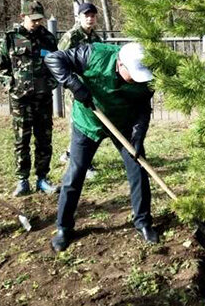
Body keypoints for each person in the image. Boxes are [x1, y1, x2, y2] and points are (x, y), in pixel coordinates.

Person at [45, 42, 157, 252]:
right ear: (120, 64)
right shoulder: (93, 55)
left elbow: (143, 107)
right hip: (88, 122)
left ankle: (143, 222)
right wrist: (74, 84)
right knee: (76, 173)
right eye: (132, 74)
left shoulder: (145, 74)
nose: (135, 78)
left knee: (138, 168)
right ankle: (63, 227)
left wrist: (138, 136)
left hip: (123, 124)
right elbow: (53, 59)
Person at [0, 0, 59, 197]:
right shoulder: (11, 38)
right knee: (21, 140)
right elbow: (2, 69)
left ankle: (42, 179)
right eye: (32, 19)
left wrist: (50, 84)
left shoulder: (48, 38)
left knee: (44, 139)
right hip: (20, 100)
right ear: (22, 17)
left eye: (39, 19)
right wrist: (11, 86)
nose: (36, 23)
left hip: (43, 98)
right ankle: (22, 180)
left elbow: (56, 65)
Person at [57, 2, 103, 178]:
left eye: (92, 16)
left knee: (87, 123)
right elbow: (58, 61)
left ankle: (70, 153)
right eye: (86, 16)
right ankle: (84, 164)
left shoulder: (96, 38)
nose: (90, 19)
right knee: (80, 126)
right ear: (79, 17)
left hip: (91, 87)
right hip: (76, 88)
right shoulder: (71, 37)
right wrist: (72, 83)